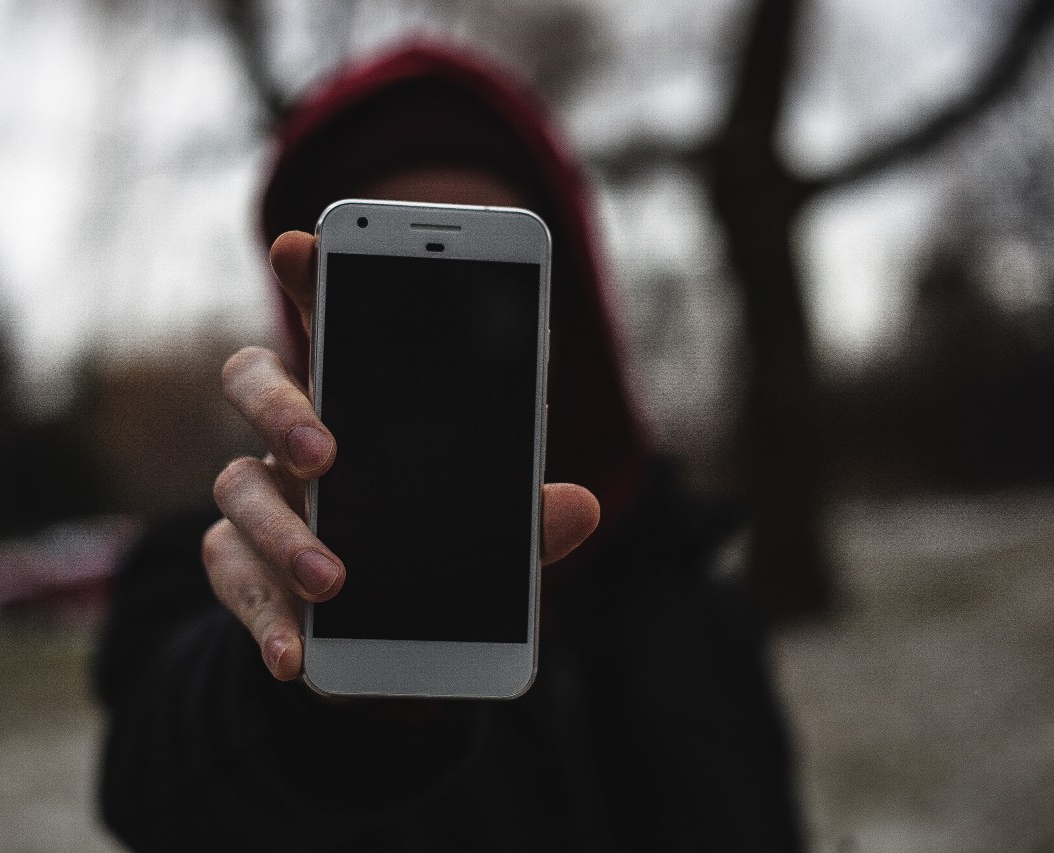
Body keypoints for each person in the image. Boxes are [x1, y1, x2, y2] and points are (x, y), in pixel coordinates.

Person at [95, 42, 804, 852]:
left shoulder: (688, 586)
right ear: (313, 326)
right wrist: (294, 692)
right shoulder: (211, 568)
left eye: (482, 295)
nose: (441, 345)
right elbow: (155, 785)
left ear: (563, 313)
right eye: (398, 303)